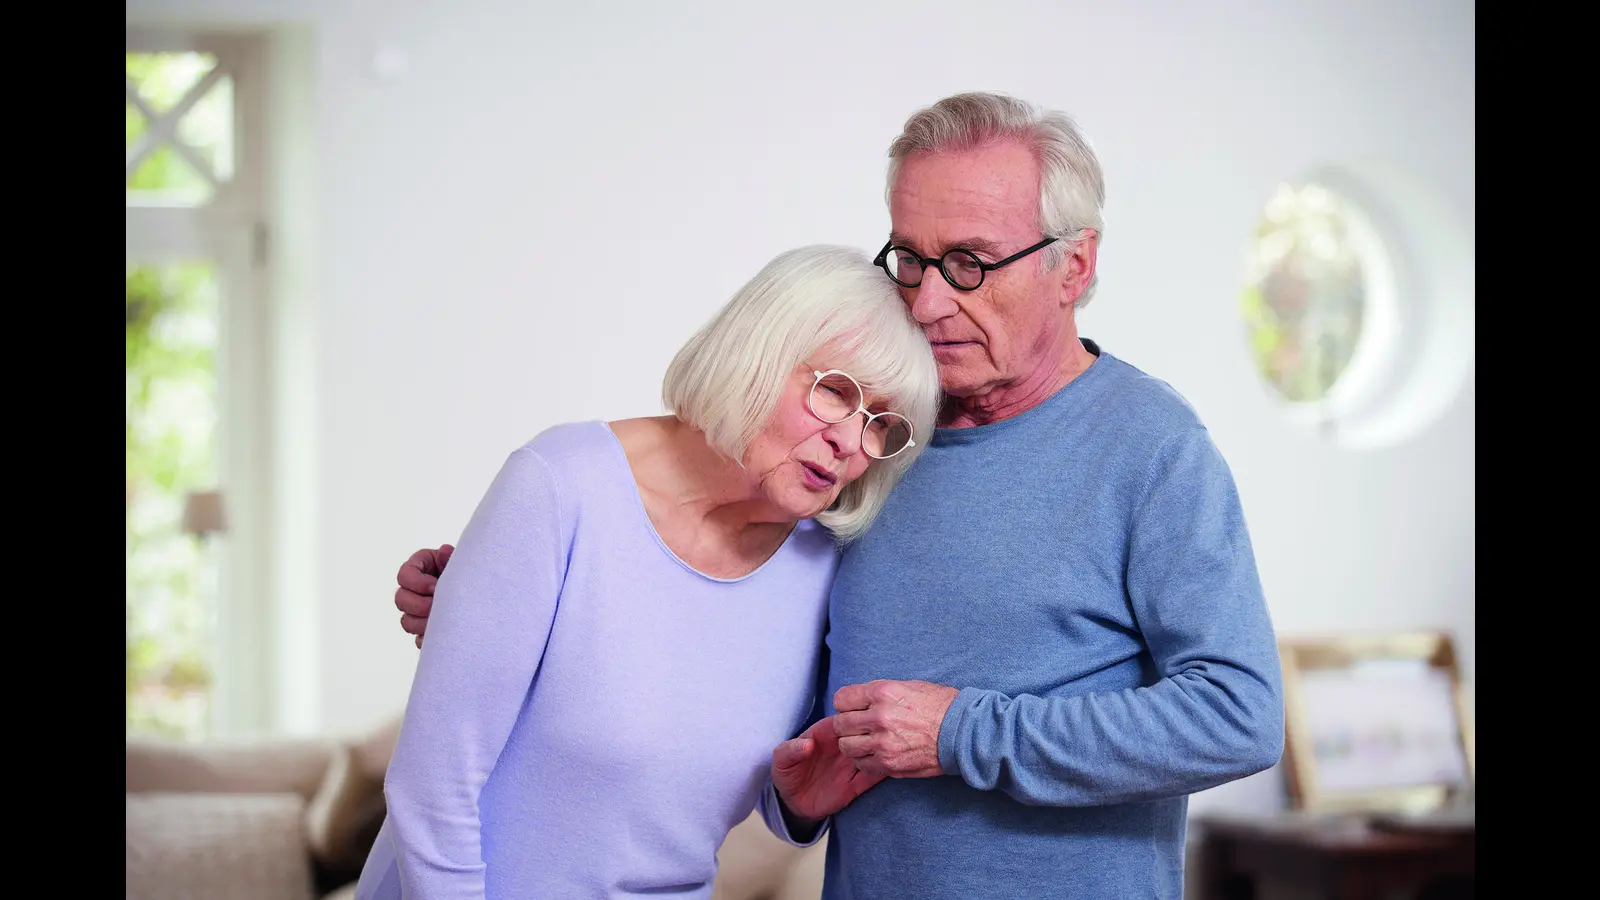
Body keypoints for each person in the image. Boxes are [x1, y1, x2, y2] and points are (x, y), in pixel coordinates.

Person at [396, 92, 1285, 900]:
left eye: (970, 263)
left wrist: (965, 734)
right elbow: (755, 659)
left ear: (1074, 266)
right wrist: (502, 605)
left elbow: (1238, 718)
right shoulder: (878, 438)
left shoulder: (1153, 449)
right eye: (911, 257)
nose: (930, 302)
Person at [354, 244, 942, 899]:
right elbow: (430, 789)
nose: (851, 442)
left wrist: (799, 802)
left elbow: (709, 789)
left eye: (881, 427)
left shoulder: (822, 568)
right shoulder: (562, 485)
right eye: (837, 391)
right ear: (760, 348)